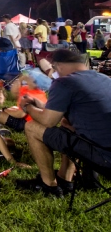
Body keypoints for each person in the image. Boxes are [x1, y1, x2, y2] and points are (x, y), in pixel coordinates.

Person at [16, 49, 111, 196]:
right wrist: (39, 104)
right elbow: (65, 110)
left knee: (32, 127)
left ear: (58, 66)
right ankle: (65, 180)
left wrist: (28, 107)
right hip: (105, 147)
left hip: (102, 157)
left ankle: (49, 185)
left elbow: (48, 121)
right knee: (67, 126)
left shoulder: (65, 82)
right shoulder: (104, 79)